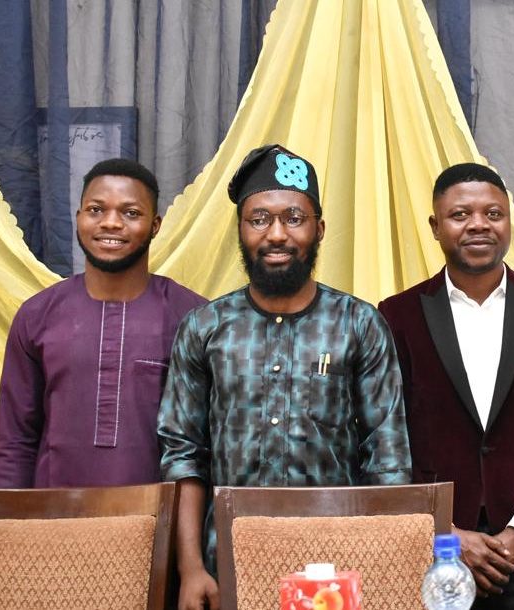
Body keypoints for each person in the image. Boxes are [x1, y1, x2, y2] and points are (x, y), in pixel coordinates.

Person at [158, 144, 411, 610]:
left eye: (294, 218)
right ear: (240, 229)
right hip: (226, 563)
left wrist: (380, 564)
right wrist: (191, 569)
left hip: (335, 565)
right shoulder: (205, 328)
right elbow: (183, 456)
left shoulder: (358, 324)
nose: (276, 234)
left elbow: (387, 458)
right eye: (259, 219)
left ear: (319, 228)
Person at [378, 163, 514, 610]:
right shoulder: (397, 316)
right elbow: (387, 444)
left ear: (509, 222)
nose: (479, 224)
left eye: (493, 214)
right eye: (460, 214)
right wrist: (445, 532)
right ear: (435, 226)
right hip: (434, 556)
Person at [0, 158, 205, 488]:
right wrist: (10, 517)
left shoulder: (193, 317)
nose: (111, 223)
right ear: (78, 217)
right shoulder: (37, 315)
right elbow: (13, 441)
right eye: (96, 210)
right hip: (52, 515)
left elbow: (205, 445)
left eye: (130, 213)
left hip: (159, 517)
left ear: (155, 225)